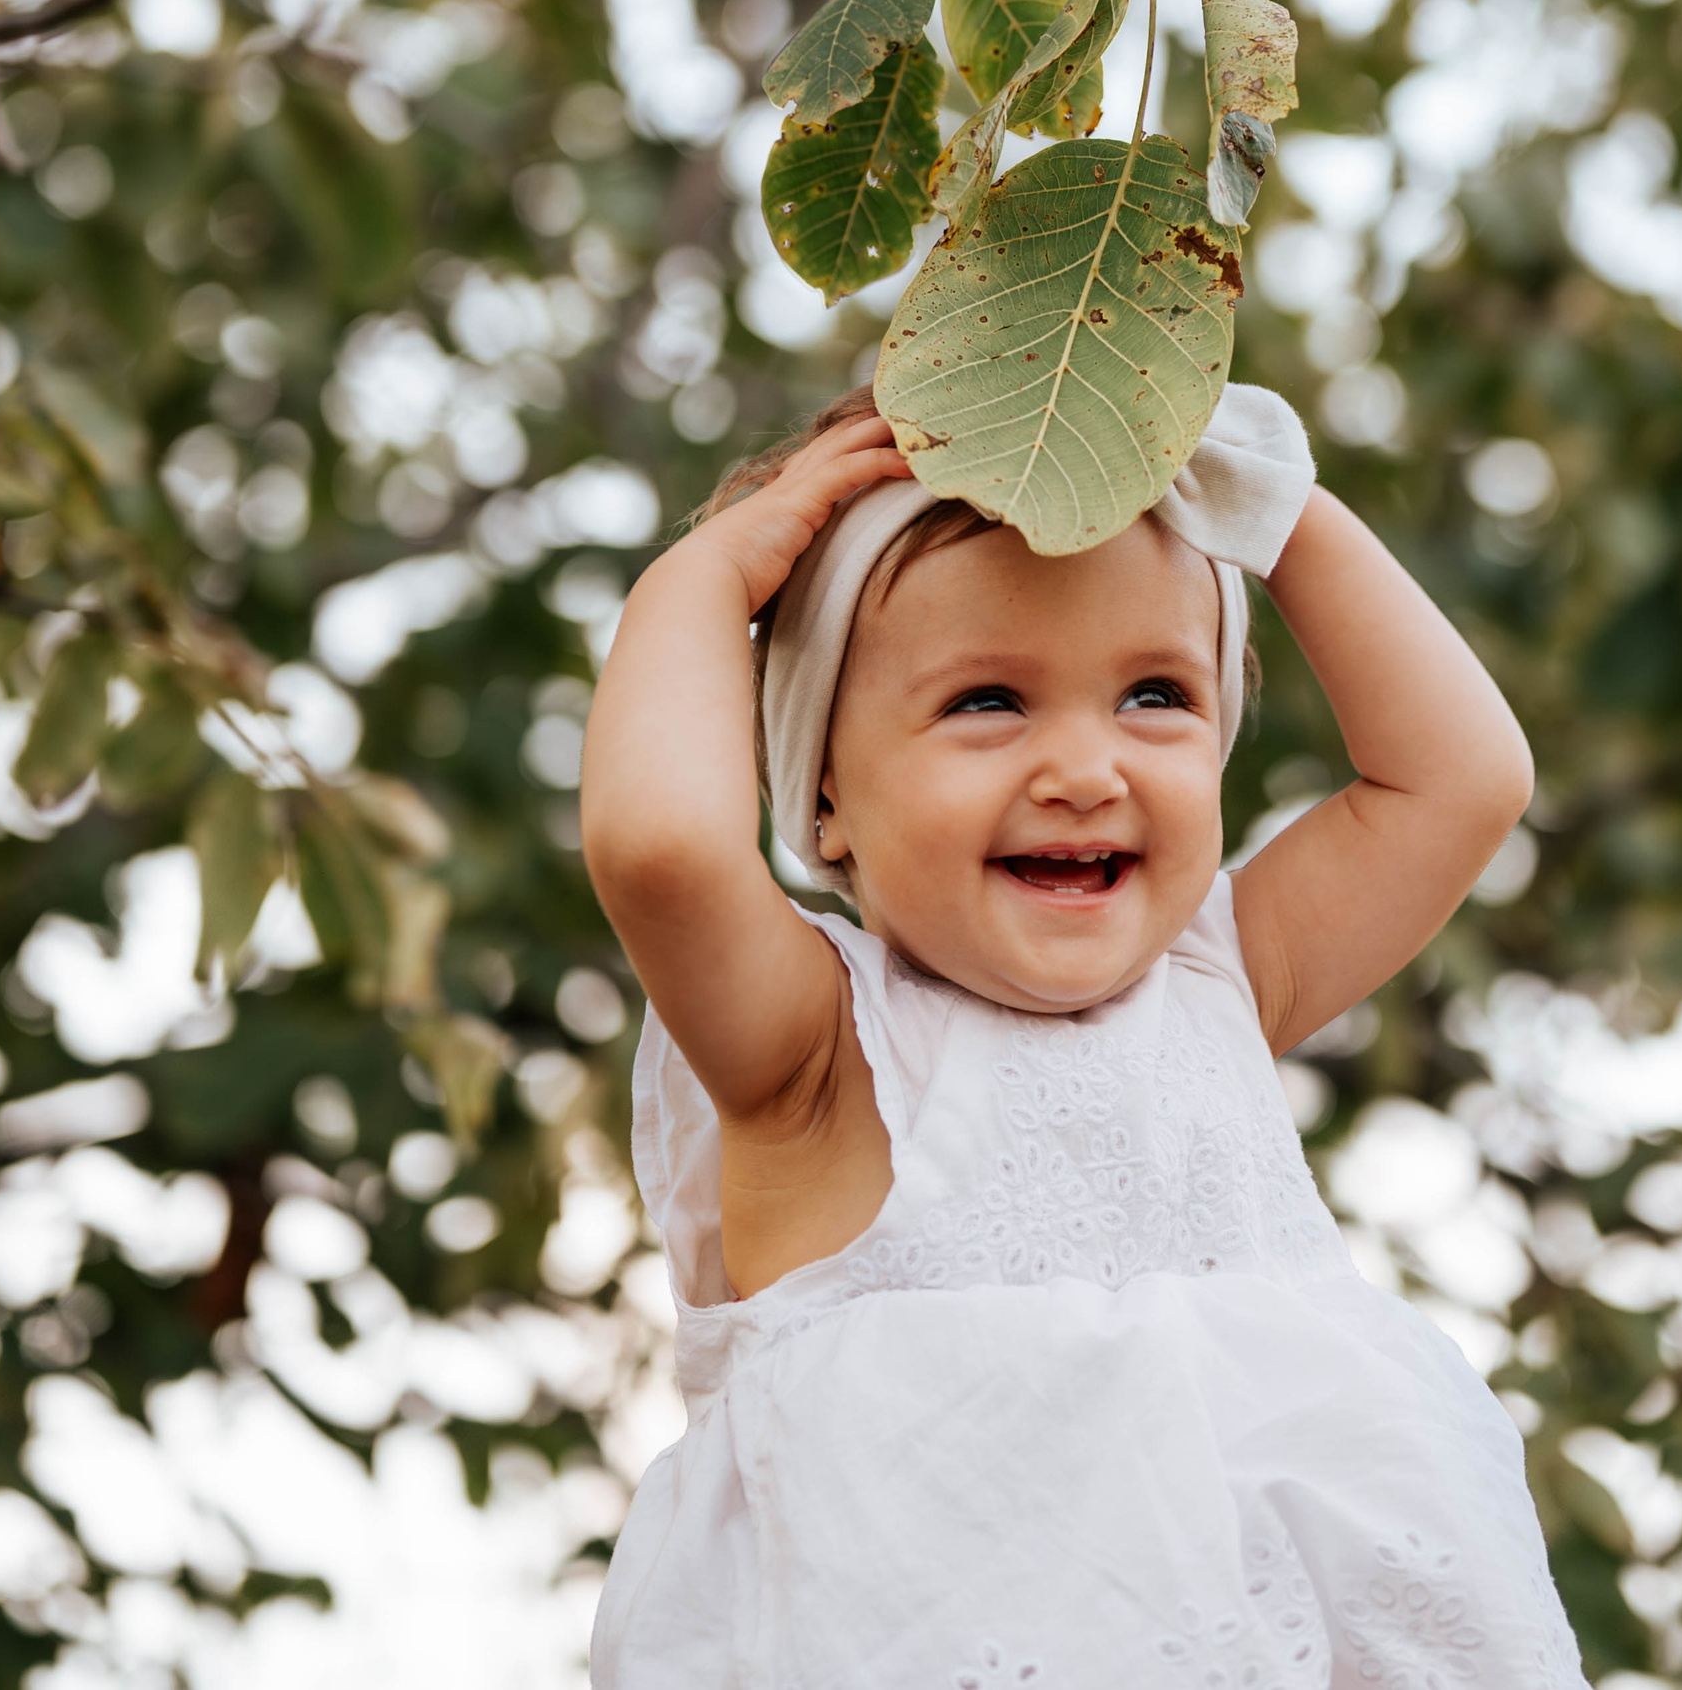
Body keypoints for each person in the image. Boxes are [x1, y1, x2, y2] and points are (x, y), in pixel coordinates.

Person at [579, 379, 1585, 1688]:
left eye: (1155, 696)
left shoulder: (1227, 976)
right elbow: (660, 849)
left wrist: (1280, 515)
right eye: (989, 701)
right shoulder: (817, 1050)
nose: (1085, 768)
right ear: (822, 791)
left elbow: (1464, 779)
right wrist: (710, 579)